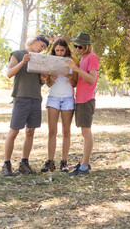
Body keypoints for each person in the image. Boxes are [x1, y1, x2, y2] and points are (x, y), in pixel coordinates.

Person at [2, 34, 49, 177]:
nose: (42, 49)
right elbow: (9, 73)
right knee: (14, 131)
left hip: (36, 99)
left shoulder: (40, 59)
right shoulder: (17, 54)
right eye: (41, 46)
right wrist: (23, 62)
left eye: (44, 48)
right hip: (21, 98)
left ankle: (24, 163)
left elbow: (40, 82)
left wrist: (43, 79)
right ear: (35, 41)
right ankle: (6, 164)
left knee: (30, 132)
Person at [41, 39, 80, 173]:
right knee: (52, 131)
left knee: (66, 132)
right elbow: (47, 83)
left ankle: (64, 162)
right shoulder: (50, 60)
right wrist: (51, 79)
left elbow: (76, 83)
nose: (59, 53)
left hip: (68, 98)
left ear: (66, 50)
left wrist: (70, 78)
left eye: (62, 50)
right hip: (53, 98)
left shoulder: (73, 61)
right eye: (57, 50)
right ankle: (50, 161)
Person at [67, 32, 99, 175]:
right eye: (75, 46)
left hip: (87, 100)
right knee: (83, 132)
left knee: (86, 132)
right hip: (79, 99)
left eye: (80, 46)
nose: (77, 49)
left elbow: (92, 79)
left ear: (86, 46)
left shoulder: (92, 57)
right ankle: (84, 162)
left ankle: (85, 166)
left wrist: (77, 69)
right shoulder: (83, 58)